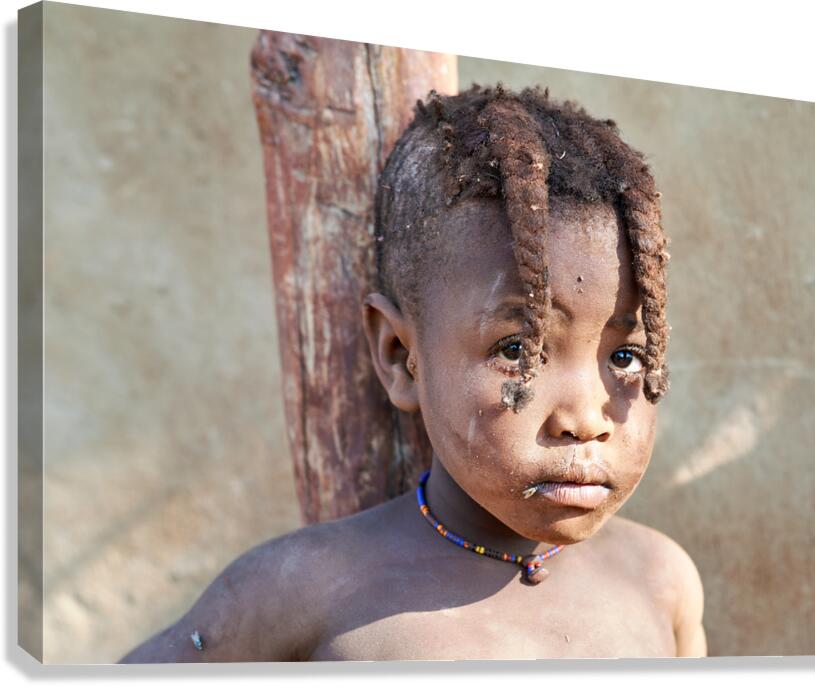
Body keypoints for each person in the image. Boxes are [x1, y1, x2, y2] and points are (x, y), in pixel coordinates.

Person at [120, 84, 706, 662]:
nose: (585, 419)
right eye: (515, 349)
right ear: (401, 356)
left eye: (625, 356)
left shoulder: (660, 583)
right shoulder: (299, 593)